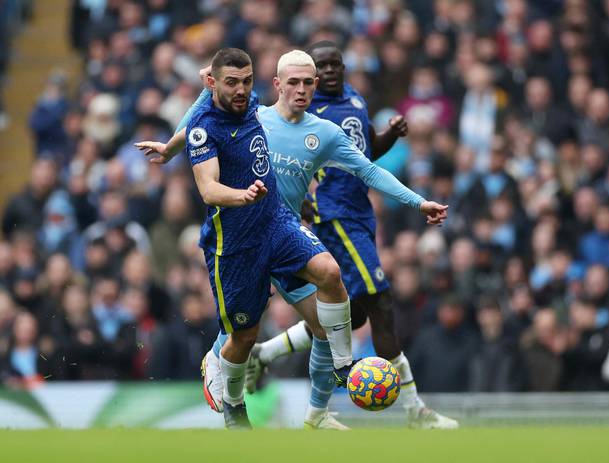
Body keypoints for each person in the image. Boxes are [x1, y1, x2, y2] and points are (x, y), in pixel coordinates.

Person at [137, 48, 450, 428]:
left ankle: (320, 410)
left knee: (329, 303)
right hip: (240, 237)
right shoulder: (255, 116)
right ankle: (224, 377)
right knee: (243, 335)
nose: (301, 90)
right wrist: (171, 147)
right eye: (294, 82)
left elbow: (370, 172)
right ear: (278, 85)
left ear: (315, 86)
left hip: (283, 230)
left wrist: (418, 202)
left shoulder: (325, 134)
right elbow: (202, 123)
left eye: (307, 83)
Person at [141, 48, 355, 429]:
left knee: (329, 272)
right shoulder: (206, 127)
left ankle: (344, 365)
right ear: (212, 85)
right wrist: (242, 195)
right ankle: (234, 407)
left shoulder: (247, 99)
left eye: (246, 81)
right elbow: (207, 189)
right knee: (243, 336)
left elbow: (215, 71)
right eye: (231, 83)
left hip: (276, 224)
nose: (241, 90)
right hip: (235, 245)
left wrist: (169, 147)